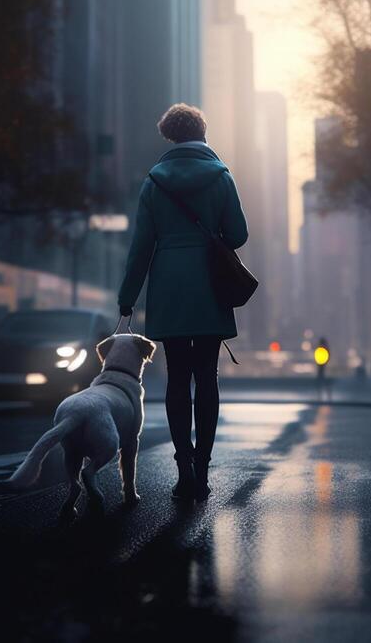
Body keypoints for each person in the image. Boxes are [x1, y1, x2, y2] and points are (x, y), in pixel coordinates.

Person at [116, 103, 249, 501]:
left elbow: (140, 248)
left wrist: (127, 298)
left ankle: (184, 469)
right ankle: (204, 470)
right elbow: (238, 234)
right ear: (202, 132)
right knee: (207, 376)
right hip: (210, 283)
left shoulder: (153, 183)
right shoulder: (222, 177)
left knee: (178, 378)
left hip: (169, 287)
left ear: (170, 136)